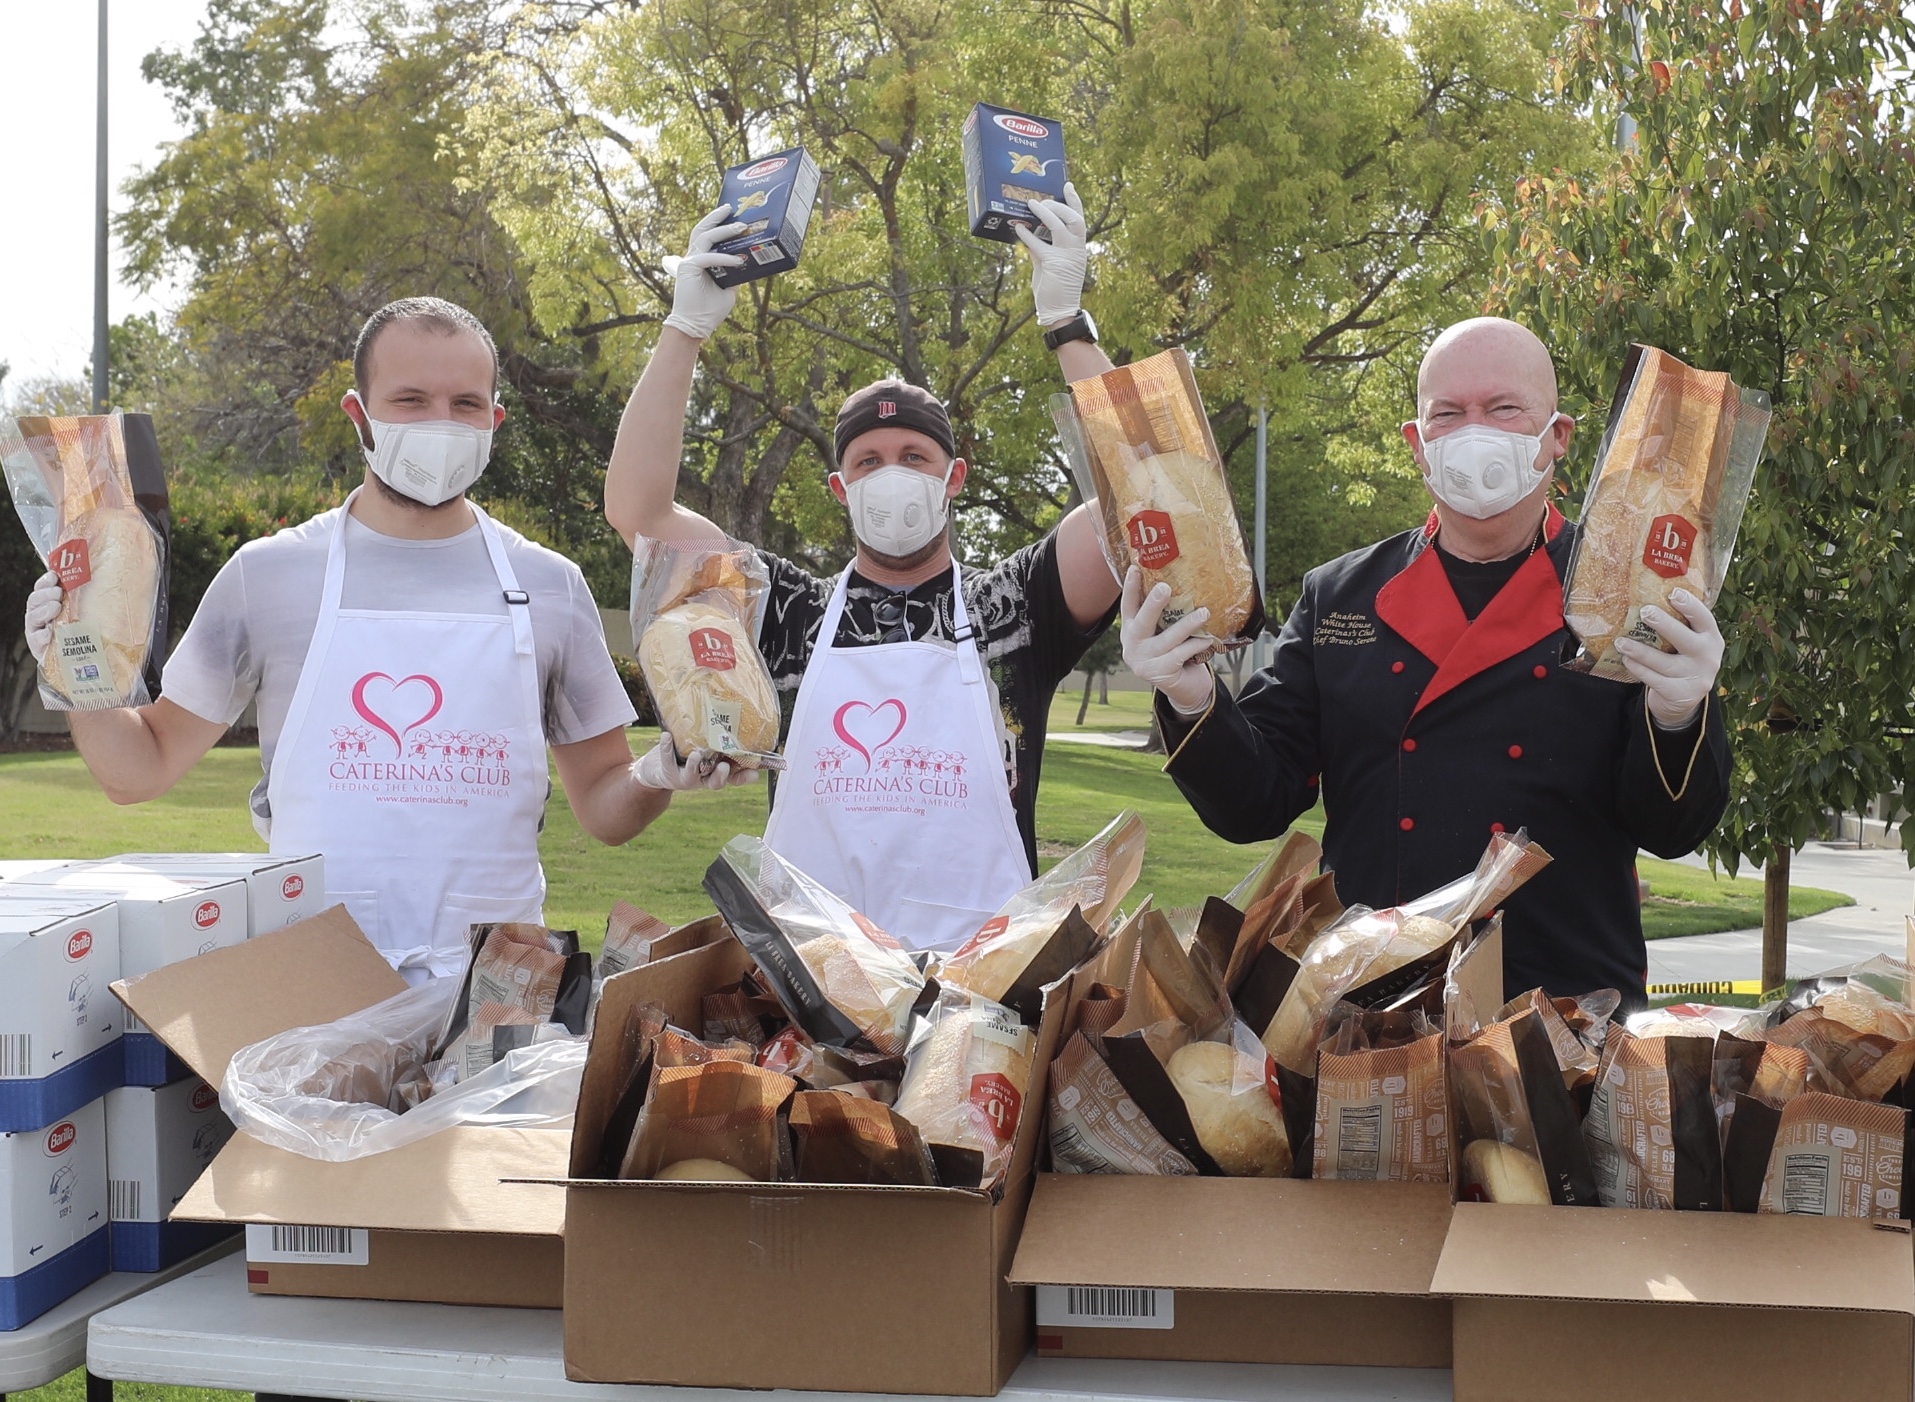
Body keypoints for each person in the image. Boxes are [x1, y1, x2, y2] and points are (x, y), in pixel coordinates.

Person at [23, 297, 737, 983]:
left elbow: (605, 808)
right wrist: (72, 666)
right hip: (316, 983)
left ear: (495, 418)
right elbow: (138, 771)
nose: (441, 423)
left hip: (497, 995)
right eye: (411, 400)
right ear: (358, 415)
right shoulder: (268, 576)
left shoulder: (548, 584)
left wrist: (658, 774)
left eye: (464, 405)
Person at [1123, 317, 1730, 1008]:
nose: (1476, 431)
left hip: (1563, 1017)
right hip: (1365, 1014)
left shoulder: (1625, 597)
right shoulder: (1339, 596)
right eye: (1448, 414)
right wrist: (1189, 694)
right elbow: (1255, 804)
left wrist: (1679, 713)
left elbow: (1672, 829)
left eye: (1504, 408)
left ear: (1556, 436)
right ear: (1417, 443)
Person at [605, 190, 1121, 952]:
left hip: (977, 987)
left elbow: (1147, 501)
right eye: (867, 463)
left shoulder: (1017, 605)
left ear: (954, 480)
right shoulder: (784, 610)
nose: (892, 476)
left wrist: (1066, 324)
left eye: (915, 458)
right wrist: (683, 331)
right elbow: (640, 514)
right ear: (841, 491)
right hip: (814, 981)